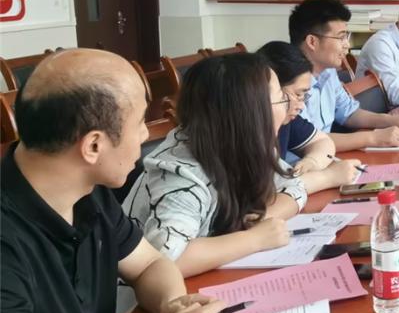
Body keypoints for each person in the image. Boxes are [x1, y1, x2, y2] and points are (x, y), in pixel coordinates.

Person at [0, 49, 225, 313]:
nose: (146, 135)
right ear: (93, 146)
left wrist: (173, 306)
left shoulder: (87, 190)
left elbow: (149, 264)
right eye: (140, 123)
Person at [123, 53, 307, 277]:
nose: (288, 108)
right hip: (154, 297)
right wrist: (254, 239)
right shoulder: (179, 172)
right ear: (250, 113)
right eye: (281, 99)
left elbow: (295, 186)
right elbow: (164, 259)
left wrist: (263, 218)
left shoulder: (245, 144)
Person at [289, 0, 399, 151]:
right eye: (341, 37)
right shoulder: (289, 83)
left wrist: (392, 120)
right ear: (312, 42)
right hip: (303, 161)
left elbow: (350, 114)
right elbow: (308, 140)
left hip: (326, 155)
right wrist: (373, 138)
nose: (347, 45)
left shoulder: (328, 72)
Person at [257, 41, 362, 191]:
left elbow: (323, 141)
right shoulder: (248, 131)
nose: (301, 106)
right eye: (297, 94)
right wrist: (328, 177)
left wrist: (312, 161)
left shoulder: (287, 119)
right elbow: (269, 191)